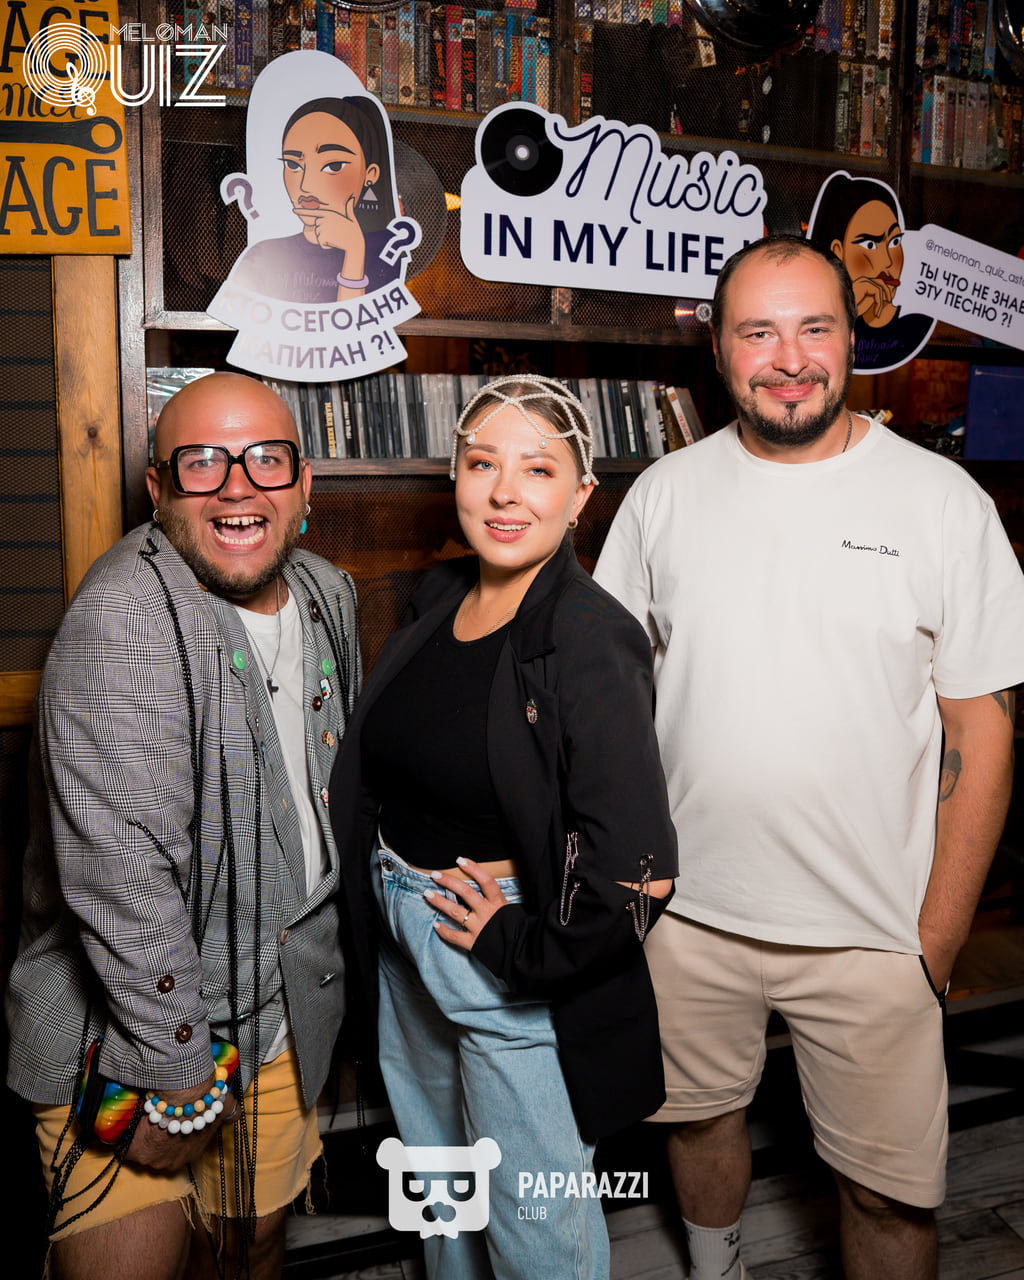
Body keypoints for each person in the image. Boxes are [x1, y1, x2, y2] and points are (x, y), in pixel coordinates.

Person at [594, 235, 1024, 1280]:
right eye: (758, 331)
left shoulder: (942, 503)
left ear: (852, 337)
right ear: (717, 347)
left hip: (874, 932)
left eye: (813, 328)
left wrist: (935, 939)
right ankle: (717, 1268)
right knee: (696, 1121)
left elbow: (983, 728)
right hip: (687, 915)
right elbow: (605, 703)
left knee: (887, 1191)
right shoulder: (663, 495)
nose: (788, 359)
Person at [6, 372, 361, 1280]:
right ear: (158, 487)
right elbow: (122, 877)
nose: (238, 486)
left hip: (279, 1013)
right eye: (203, 462)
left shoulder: (329, 593)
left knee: (251, 1245)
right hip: (132, 1032)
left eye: (266, 459)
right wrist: (179, 1074)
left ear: (304, 482)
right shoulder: (126, 618)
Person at [329, 375, 678, 1280]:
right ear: (455, 477)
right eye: (483, 464)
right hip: (406, 932)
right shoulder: (438, 594)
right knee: (444, 1197)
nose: (505, 493)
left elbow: (644, 873)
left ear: (581, 494)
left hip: (499, 951)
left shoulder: (591, 636)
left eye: (539, 469)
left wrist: (521, 948)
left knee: (536, 1227)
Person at [230, 95, 401, 304]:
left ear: (370, 174)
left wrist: (355, 253)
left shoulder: (387, 254)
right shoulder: (264, 256)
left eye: (333, 166)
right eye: (293, 165)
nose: (306, 186)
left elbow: (362, 323)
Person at [806, 170, 933, 371]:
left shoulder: (918, 320)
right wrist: (847, 312)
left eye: (894, 241)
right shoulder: (812, 314)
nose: (888, 261)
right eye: (870, 245)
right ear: (838, 252)